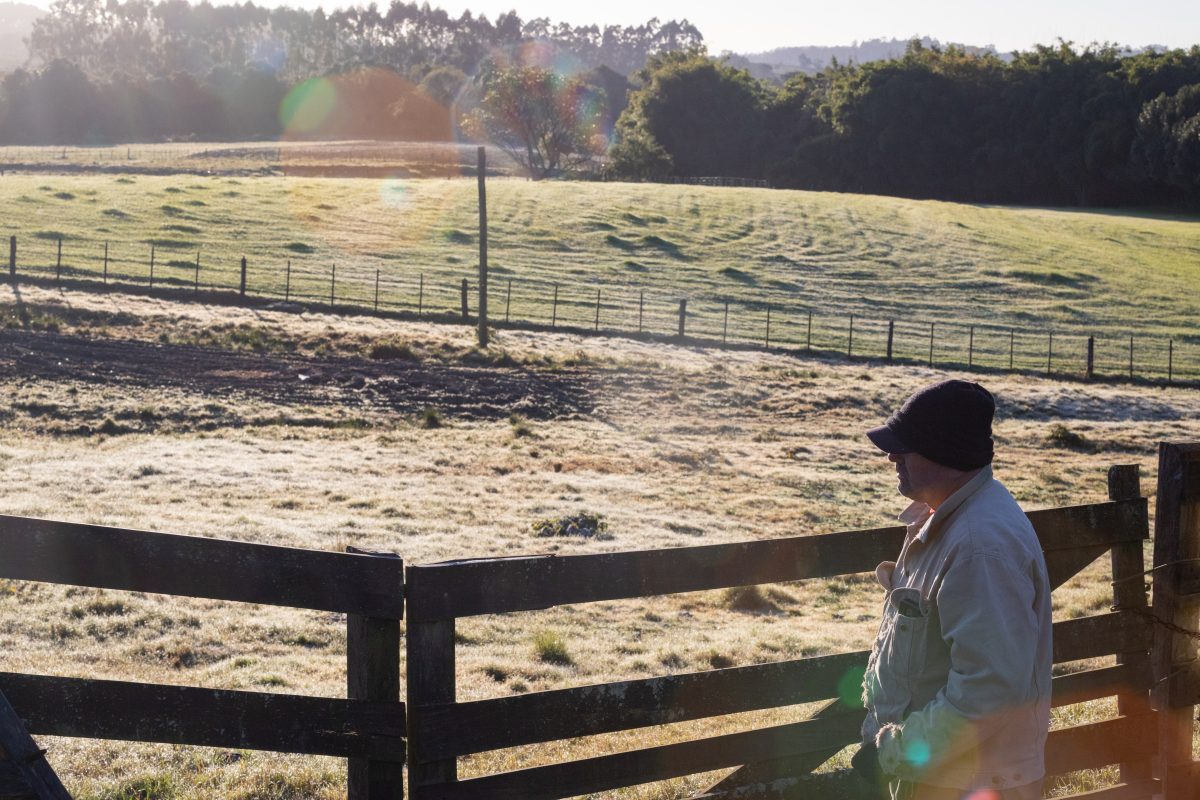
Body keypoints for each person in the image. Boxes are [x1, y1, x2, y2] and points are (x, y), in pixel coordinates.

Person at [851, 379, 1052, 800]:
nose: (892, 455)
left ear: (945, 450)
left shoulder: (979, 546)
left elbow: (988, 686)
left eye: (906, 445)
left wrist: (897, 752)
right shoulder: (947, 521)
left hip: (965, 783)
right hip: (944, 775)